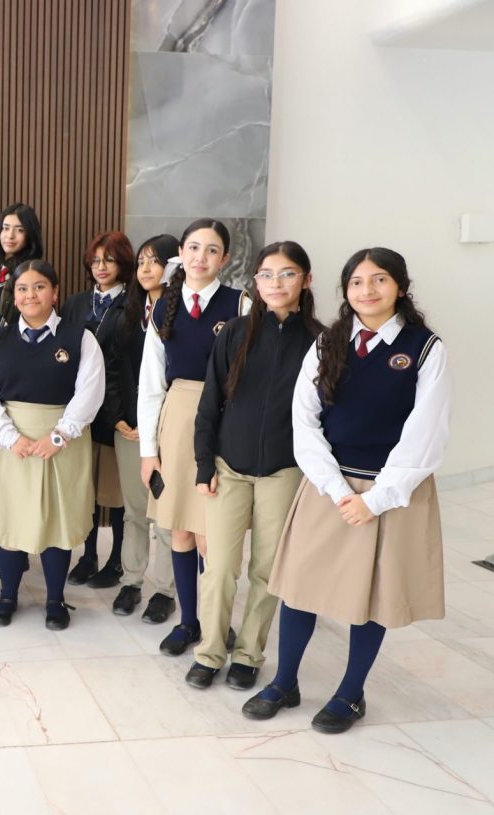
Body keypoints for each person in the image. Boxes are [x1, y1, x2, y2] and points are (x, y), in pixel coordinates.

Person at [244, 247, 450, 734]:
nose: (367, 290)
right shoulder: (328, 342)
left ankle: (350, 694)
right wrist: (337, 490)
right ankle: (285, 683)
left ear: (400, 287)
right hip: (328, 485)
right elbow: (304, 419)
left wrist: (375, 499)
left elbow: (427, 433)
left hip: (391, 491)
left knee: (370, 595)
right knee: (298, 588)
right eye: (357, 282)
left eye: (379, 280)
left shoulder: (425, 348)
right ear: (345, 290)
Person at [185, 241, 322, 691]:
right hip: (229, 465)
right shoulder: (235, 332)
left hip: (285, 471)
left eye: (287, 274)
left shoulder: (321, 341)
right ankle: (209, 652)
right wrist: (204, 463)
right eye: (266, 275)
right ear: (255, 282)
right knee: (220, 566)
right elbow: (210, 403)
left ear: (306, 279)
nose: (275, 283)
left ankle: (248, 654)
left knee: (266, 569)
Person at [138, 219, 249, 656]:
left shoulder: (240, 304)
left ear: (225, 258)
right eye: (194, 247)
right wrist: (149, 452)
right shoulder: (162, 307)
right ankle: (188, 622)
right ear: (181, 254)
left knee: (211, 536)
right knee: (181, 531)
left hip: (226, 420)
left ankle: (216, 622)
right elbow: (150, 385)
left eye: (212, 249)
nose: (201, 257)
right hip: (178, 419)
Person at [0, 260, 104, 630]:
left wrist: (59, 435)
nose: (30, 295)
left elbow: (90, 392)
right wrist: (9, 437)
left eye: (39, 286)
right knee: (11, 518)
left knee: (57, 521)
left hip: (62, 441)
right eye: (22, 288)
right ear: (13, 297)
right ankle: (7, 596)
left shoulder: (80, 338)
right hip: (13, 440)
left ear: (55, 292)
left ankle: (55, 600)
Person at [109, 236, 178, 621]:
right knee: (135, 510)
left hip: (170, 429)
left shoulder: (183, 313)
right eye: (141, 262)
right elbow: (113, 369)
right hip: (129, 428)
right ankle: (132, 580)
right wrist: (118, 416)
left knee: (166, 513)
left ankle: (165, 590)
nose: (146, 269)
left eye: (155, 261)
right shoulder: (127, 312)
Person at [60, 231, 132, 588]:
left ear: (123, 263)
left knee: (116, 493)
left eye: (109, 260)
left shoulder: (133, 304)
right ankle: (88, 556)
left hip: (117, 409)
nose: (101, 267)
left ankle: (117, 560)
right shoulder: (75, 303)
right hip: (79, 406)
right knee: (84, 488)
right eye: (95, 261)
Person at [0, 202, 43, 580]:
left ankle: (17, 553)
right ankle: (3, 546)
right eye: (5, 227)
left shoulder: (33, 273)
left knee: (17, 473)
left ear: (29, 234)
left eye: (18, 229)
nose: (10, 235)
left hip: (15, 368)